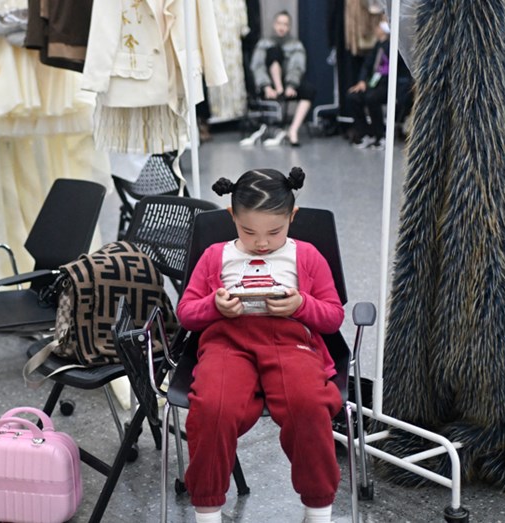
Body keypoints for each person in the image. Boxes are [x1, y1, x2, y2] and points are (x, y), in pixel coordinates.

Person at [176, 167, 344, 523]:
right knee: (211, 409)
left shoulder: (307, 255)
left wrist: (301, 304)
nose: (263, 243)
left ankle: (318, 509)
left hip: (290, 343)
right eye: (248, 231)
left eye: (275, 231)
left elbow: (332, 318)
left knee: (309, 405)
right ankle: (207, 510)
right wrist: (215, 306)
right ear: (232, 217)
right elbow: (187, 314)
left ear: (292, 217)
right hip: (227, 344)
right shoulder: (214, 255)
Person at [248, 10, 314, 147]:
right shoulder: (264, 43)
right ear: (274, 24)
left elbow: (297, 66)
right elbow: (257, 66)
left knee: (309, 90)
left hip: (289, 82)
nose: (281, 27)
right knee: (274, 51)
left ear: (289, 27)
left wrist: (291, 85)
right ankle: (278, 88)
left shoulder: (296, 44)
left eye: (285, 24)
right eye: (279, 23)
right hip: (269, 84)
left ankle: (293, 130)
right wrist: (266, 86)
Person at [345, 16, 408, 149]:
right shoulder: (377, 46)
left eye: (380, 24)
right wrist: (362, 81)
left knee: (371, 98)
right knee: (353, 97)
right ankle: (365, 133)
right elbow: (367, 65)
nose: (376, 27)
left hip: (388, 85)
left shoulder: (396, 46)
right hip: (373, 84)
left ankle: (380, 135)